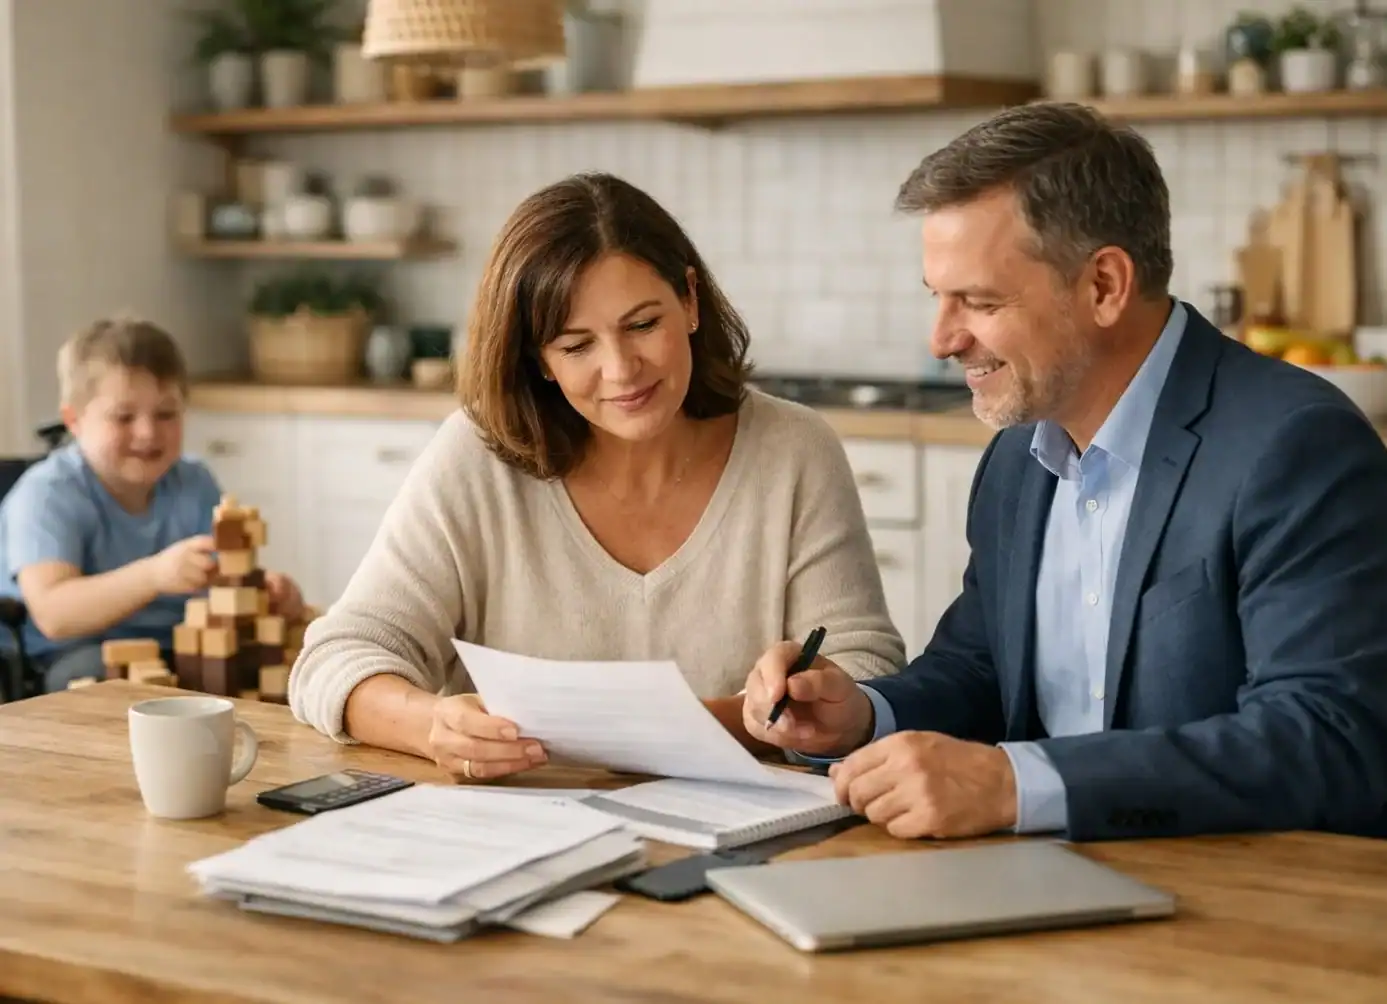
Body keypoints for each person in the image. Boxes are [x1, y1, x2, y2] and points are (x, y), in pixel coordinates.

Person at [742, 101, 1387, 842]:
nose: (942, 339)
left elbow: (1327, 741)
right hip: (1042, 885)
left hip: (1239, 902)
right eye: (938, 298)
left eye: (979, 301)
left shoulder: (1293, 446)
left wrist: (1020, 785)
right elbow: (980, 670)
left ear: (1104, 286)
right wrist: (861, 714)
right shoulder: (1018, 455)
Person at [288, 172, 904, 779]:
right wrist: (432, 726)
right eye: (576, 345)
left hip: (744, 842)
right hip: (521, 842)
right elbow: (333, 661)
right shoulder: (477, 459)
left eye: (642, 325)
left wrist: (801, 703)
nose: (621, 370)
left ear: (689, 301)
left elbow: (868, 672)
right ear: (541, 362)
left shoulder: (795, 450)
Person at [0, 317, 306, 693]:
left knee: (282, 666)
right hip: (78, 653)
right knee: (112, 689)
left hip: (186, 644)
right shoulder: (47, 494)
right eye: (123, 417)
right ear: (74, 420)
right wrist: (154, 576)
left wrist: (265, 593)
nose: (147, 432)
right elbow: (53, 615)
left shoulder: (194, 481)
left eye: (166, 414)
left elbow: (225, 580)